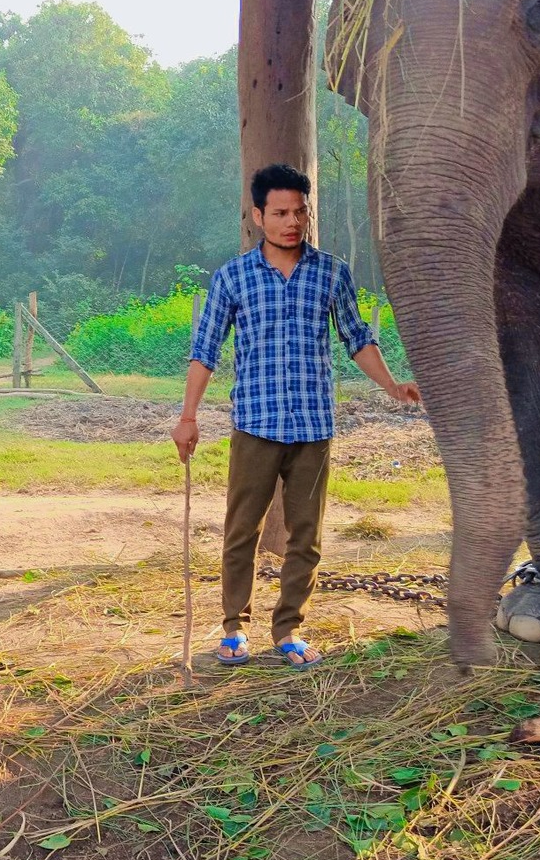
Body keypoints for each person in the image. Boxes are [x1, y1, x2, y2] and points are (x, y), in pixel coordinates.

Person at [171, 164, 423, 668]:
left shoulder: (332, 272)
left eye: (300, 211)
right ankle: (233, 627)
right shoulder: (233, 277)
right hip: (256, 428)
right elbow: (205, 351)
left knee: (306, 535)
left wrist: (391, 384)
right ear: (258, 215)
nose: (292, 221)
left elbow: (359, 339)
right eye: (281, 212)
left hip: (313, 428)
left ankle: (288, 628)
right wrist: (188, 416)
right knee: (242, 530)